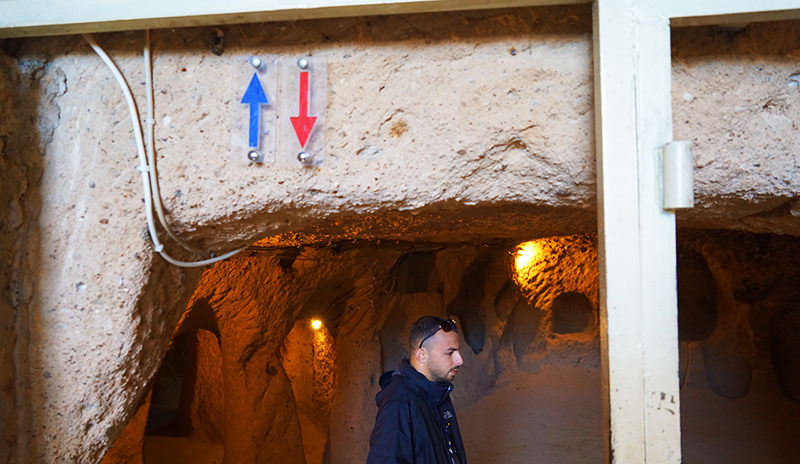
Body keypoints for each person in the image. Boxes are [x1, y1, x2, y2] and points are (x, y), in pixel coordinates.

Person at [366, 316, 467, 464]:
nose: (460, 360)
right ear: (421, 355)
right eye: (450, 352)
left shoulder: (438, 391)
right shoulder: (398, 404)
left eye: (458, 351)